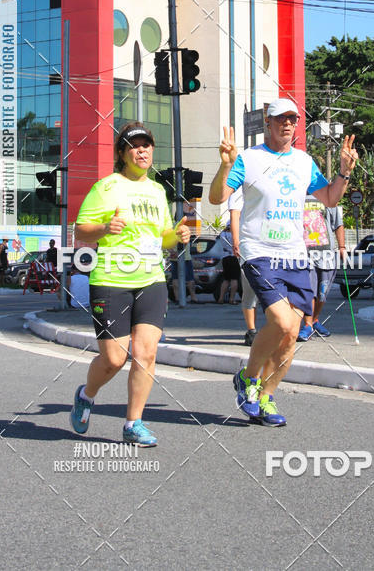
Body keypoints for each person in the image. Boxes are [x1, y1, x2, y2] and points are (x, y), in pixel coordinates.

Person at [210, 97, 358, 427]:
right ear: (268, 122)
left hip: (295, 255)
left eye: (293, 119)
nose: (287, 124)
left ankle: (266, 396)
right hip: (259, 251)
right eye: (280, 118)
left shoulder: (305, 162)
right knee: (281, 321)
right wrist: (224, 165)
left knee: (292, 334)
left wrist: (345, 172)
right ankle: (248, 379)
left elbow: (330, 198)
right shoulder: (248, 159)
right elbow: (217, 198)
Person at [70, 121, 191, 446]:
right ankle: (87, 394)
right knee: (114, 358)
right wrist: (106, 227)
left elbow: (162, 238)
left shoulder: (157, 190)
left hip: (151, 280)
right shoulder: (106, 187)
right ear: (122, 152)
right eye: (135, 145)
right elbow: (81, 230)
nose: (142, 150)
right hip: (111, 279)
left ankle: (133, 422)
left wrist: (176, 236)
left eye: (147, 145)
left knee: (146, 353)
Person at [298, 202, 346, 340]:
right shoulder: (298, 192)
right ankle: (307, 324)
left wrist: (342, 247)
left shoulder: (329, 197)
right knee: (309, 290)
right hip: (304, 254)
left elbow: (338, 224)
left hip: (326, 254)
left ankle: (314, 320)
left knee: (322, 292)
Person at [230, 190, 258, 345]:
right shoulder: (238, 190)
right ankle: (252, 331)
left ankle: (274, 330)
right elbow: (234, 215)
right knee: (250, 292)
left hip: (270, 245)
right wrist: (236, 241)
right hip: (249, 249)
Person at [217, 221, 240, 305]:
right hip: (234, 257)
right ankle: (232, 299)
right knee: (234, 279)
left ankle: (221, 298)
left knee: (226, 279)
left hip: (225, 257)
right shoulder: (235, 234)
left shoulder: (222, 234)